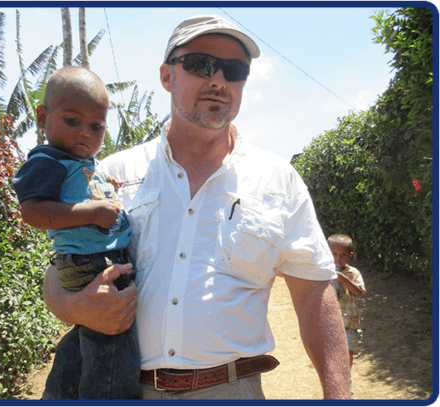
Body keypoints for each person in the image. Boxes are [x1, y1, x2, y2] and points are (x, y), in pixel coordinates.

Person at [40, 15, 349, 399]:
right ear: (167, 76)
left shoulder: (277, 180)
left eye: (234, 70)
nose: (219, 80)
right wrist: (74, 307)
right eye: (202, 64)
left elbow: (313, 294)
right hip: (125, 388)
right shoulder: (112, 174)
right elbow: (60, 271)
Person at [12, 66, 138, 399]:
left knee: (88, 334)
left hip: (95, 260)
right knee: (113, 345)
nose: (85, 133)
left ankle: (59, 393)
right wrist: (93, 212)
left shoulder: (78, 162)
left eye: (96, 126)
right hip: (90, 262)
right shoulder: (47, 160)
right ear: (43, 117)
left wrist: (101, 183)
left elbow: (76, 190)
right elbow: (33, 211)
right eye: (72, 121)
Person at [328, 234, 365, 396]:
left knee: (348, 353)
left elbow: (358, 292)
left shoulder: (352, 273)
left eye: (343, 254)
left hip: (349, 323)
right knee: (331, 357)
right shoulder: (324, 272)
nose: (338, 258)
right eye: (333, 254)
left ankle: (345, 378)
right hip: (329, 324)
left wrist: (343, 280)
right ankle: (335, 382)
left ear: (350, 256)